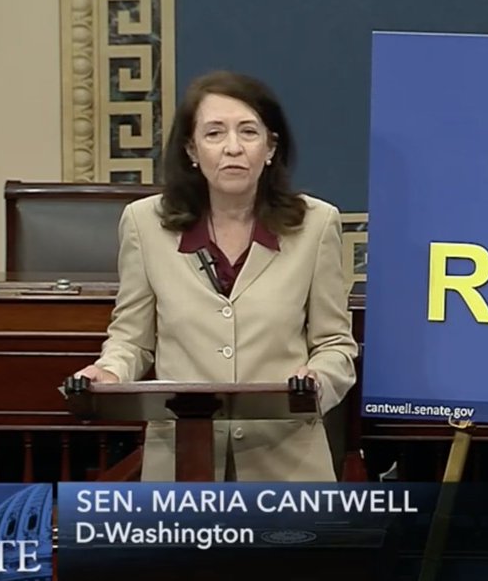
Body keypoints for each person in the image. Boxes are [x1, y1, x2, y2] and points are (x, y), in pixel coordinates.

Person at [73, 70, 359, 482]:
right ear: (191, 149)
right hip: (180, 463)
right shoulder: (144, 224)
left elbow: (335, 344)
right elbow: (132, 338)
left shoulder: (316, 225)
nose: (233, 148)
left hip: (287, 465)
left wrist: (316, 380)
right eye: (214, 134)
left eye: (248, 132)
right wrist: (110, 371)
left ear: (271, 147)